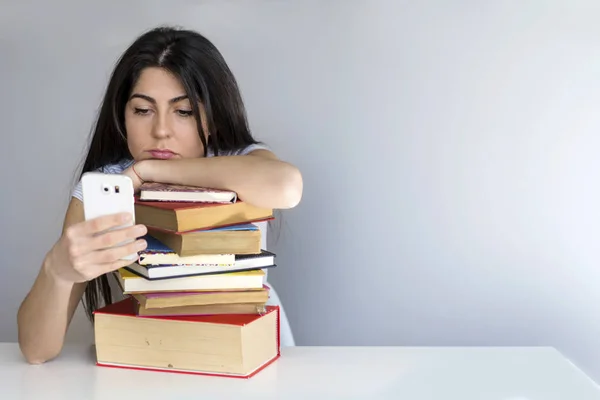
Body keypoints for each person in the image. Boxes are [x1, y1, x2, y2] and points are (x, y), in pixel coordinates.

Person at [16, 26, 303, 364]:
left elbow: (286, 186)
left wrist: (150, 170)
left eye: (184, 112)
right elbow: (36, 351)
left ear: (211, 118)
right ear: (122, 116)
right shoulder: (106, 186)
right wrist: (58, 270)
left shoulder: (238, 163)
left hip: (246, 353)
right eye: (142, 110)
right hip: (151, 355)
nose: (161, 130)